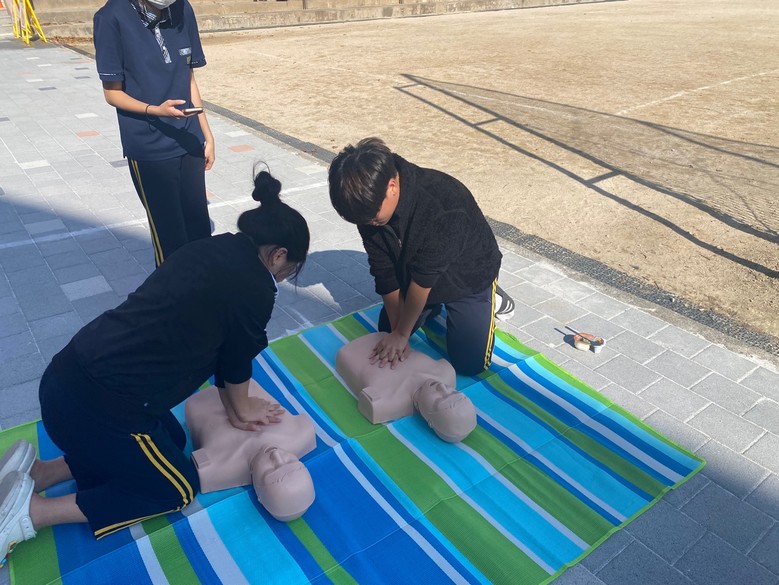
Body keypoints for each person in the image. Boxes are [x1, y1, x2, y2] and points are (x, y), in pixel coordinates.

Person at [0, 170, 309, 565]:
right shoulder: (256, 287)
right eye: (288, 270)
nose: (283, 277)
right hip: (96, 410)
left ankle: (41, 474)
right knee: (176, 488)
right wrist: (244, 409)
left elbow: (227, 351)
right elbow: (236, 365)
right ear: (278, 254)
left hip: (66, 376)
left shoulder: (215, 247)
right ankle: (34, 512)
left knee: (171, 438)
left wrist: (238, 403)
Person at [328, 137, 514, 377]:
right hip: (418, 272)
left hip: (468, 277)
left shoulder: (443, 204)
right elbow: (384, 272)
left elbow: (423, 281)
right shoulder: (367, 203)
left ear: (392, 187)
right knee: (386, 330)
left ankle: (492, 296)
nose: (369, 224)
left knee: (470, 364)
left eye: (373, 218)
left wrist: (402, 334)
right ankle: (430, 308)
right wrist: (396, 331)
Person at [94, 0, 215, 267]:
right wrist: (155, 110)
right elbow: (112, 94)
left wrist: (206, 135)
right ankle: (174, 290)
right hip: (150, 146)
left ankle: (205, 287)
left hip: (189, 139)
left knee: (199, 227)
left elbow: (189, 78)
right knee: (170, 235)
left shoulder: (182, 8)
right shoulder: (111, 17)